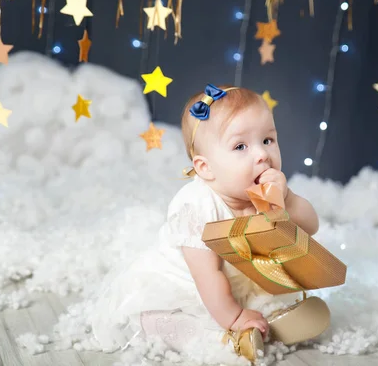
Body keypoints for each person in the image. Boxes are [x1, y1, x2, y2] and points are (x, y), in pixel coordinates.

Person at [91, 84, 321, 364]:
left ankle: (268, 322)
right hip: (187, 286)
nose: (262, 155)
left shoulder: (269, 190)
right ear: (205, 168)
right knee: (171, 322)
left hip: (237, 280)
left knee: (266, 292)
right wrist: (233, 317)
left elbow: (310, 226)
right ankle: (226, 335)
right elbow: (208, 275)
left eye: (268, 140)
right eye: (240, 146)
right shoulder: (196, 206)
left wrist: (288, 199)